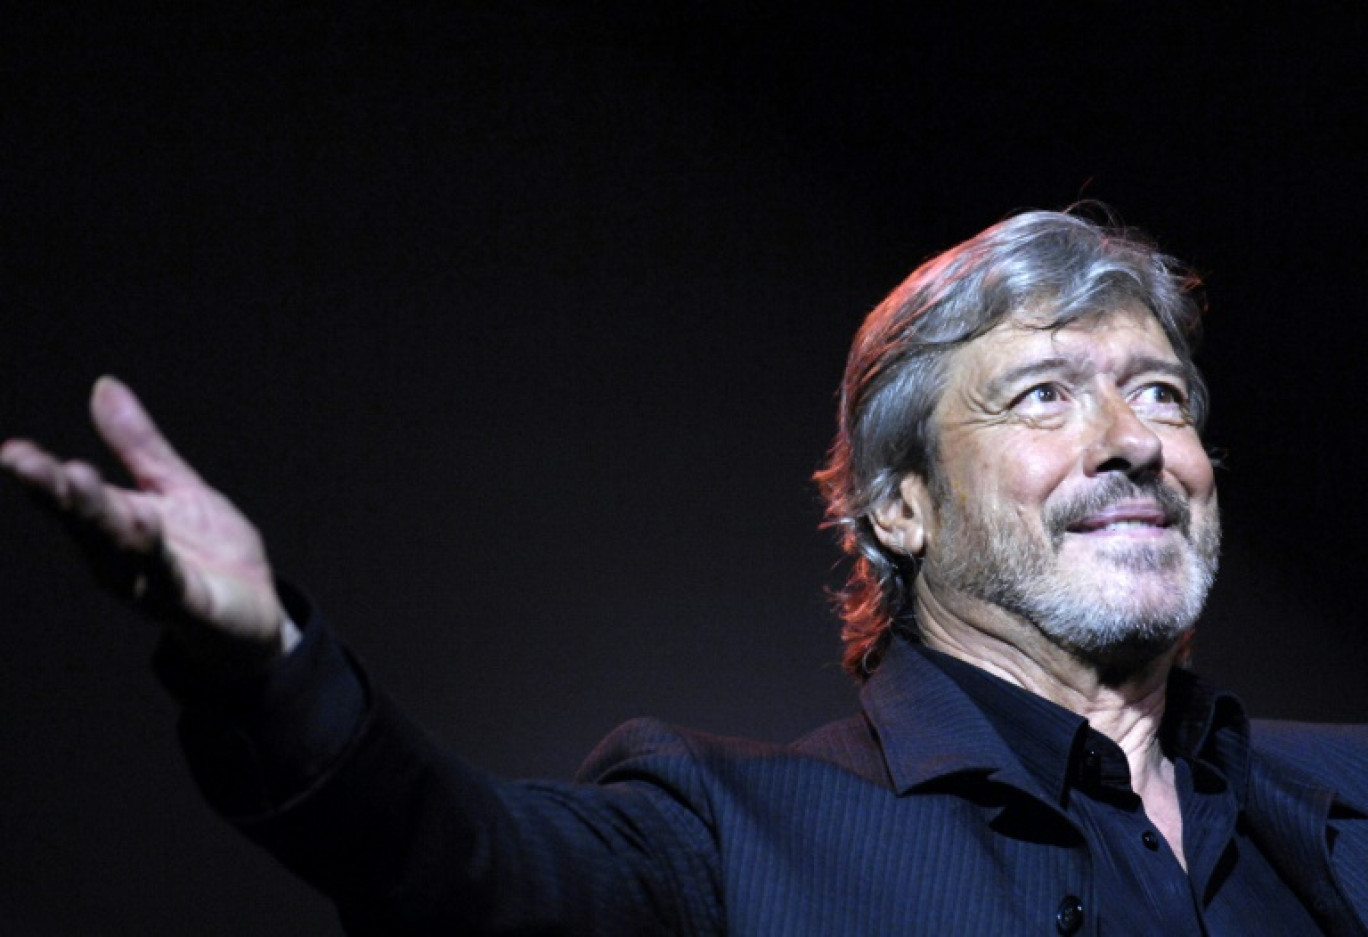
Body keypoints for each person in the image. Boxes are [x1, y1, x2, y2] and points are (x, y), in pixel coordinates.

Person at [4, 210, 1366, 935]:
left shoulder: (1346, 798)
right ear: (899, 506)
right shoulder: (727, 836)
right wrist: (268, 668)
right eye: (1046, 395)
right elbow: (456, 866)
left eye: (1164, 396)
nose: (1133, 441)